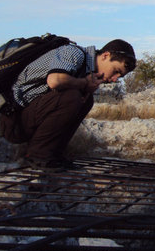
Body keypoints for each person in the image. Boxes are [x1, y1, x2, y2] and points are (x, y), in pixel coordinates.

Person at [7, 39, 136, 171]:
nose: (114, 79)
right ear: (105, 55)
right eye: (115, 71)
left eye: (119, 77)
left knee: (85, 100)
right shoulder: (74, 53)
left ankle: (54, 154)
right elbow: (54, 80)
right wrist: (84, 84)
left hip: (27, 117)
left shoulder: (85, 69)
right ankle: (39, 156)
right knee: (71, 97)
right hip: (13, 120)